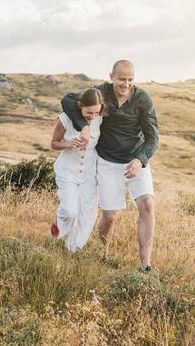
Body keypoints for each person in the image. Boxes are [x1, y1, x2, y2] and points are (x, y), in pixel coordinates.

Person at [61, 60, 159, 272]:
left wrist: (140, 159)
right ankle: (104, 253)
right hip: (107, 161)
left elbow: (153, 138)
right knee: (109, 216)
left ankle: (146, 266)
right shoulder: (100, 91)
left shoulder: (143, 99)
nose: (126, 84)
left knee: (148, 206)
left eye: (130, 80)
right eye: (122, 79)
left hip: (135, 160)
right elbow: (68, 99)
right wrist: (83, 126)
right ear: (112, 76)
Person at [50, 88, 105, 252]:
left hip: (89, 173)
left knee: (87, 215)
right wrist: (67, 144)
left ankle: (71, 250)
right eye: (89, 112)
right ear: (79, 105)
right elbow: (53, 143)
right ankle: (58, 225)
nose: (92, 116)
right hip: (67, 170)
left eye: (96, 112)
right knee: (70, 210)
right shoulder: (65, 118)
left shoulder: (99, 119)